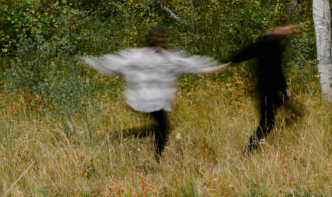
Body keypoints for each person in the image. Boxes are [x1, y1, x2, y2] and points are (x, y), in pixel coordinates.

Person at [81, 27, 229, 158]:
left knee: (161, 128)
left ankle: (125, 138)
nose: (159, 42)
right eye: (156, 39)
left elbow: (192, 64)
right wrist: (89, 61)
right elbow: (114, 63)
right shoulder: (138, 56)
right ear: (150, 40)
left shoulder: (169, 57)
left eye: (162, 39)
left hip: (158, 100)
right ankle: (152, 155)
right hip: (142, 99)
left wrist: (218, 67)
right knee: (163, 128)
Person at [227, 23, 299, 152]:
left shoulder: (277, 44)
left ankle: (257, 144)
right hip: (265, 89)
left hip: (272, 90)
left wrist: (285, 88)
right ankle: (248, 151)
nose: (288, 31)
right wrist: (230, 61)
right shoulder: (266, 42)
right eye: (286, 28)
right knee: (267, 123)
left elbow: (277, 68)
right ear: (278, 28)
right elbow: (248, 51)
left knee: (293, 113)